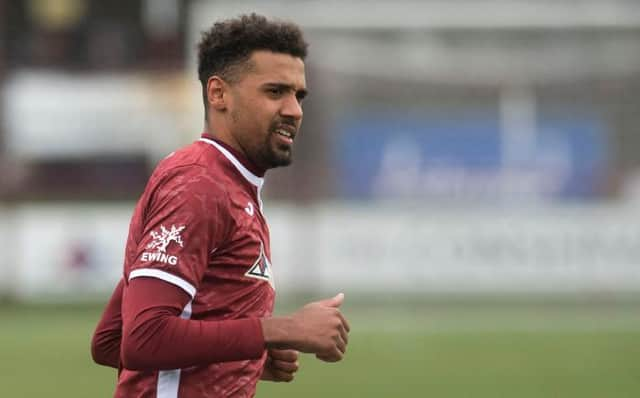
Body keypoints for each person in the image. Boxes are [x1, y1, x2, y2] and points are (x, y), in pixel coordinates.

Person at [91, 13, 350, 398]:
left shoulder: (230, 186)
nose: (294, 109)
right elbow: (143, 338)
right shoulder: (198, 185)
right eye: (275, 91)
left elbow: (111, 340)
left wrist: (247, 357)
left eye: (299, 95)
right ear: (219, 94)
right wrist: (281, 329)